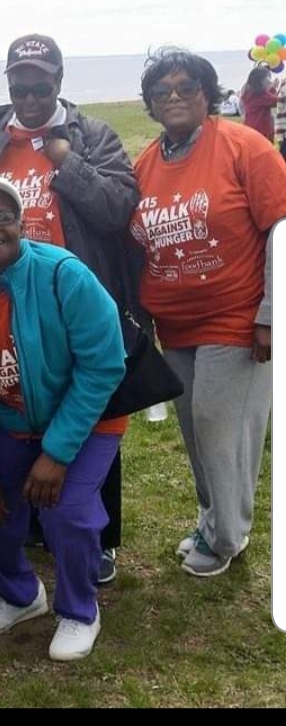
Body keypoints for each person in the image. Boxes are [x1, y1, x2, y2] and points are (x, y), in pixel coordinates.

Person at [0, 34, 140, 586]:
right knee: (21, 409)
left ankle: (100, 538)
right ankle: (37, 525)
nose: (30, 97)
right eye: (20, 87)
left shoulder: (92, 135)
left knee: (91, 413)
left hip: (75, 299)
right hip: (7, 301)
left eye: (40, 87)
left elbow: (118, 207)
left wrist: (67, 162)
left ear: (59, 82)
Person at [0, 175, 126, 662]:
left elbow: (104, 365)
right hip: (11, 418)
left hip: (88, 420)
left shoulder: (64, 275)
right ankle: (19, 594)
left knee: (68, 511)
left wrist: (56, 453)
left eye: (3, 216)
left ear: (21, 223)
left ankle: (80, 610)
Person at [129, 47, 286, 577]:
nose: (173, 97)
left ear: (208, 94)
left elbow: (281, 229)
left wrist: (271, 313)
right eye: (162, 91)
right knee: (196, 431)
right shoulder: (147, 163)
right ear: (150, 103)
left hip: (236, 317)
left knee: (222, 428)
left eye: (186, 87)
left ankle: (227, 538)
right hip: (175, 326)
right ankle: (211, 518)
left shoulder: (245, 147)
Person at [241, 66, 278, 142]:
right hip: (261, 131)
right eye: (267, 78)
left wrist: (271, 89)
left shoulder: (248, 93)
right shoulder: (261, 95)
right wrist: (274, 88)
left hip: (249, 128)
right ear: (261, 81)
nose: (269, 81)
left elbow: (267, 99)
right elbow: (276, 101)